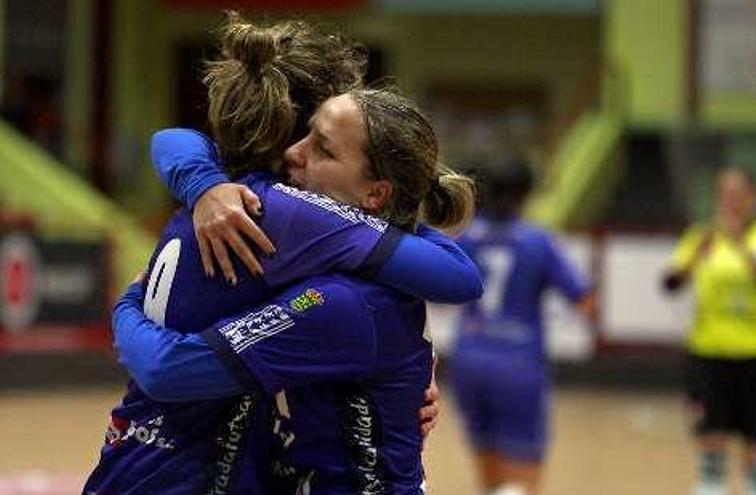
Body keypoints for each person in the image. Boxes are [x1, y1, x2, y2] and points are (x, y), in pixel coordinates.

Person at [83, 14, 477, 494]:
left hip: (137, 460)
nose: (299, 153)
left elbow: (172, 138)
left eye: (324, 149)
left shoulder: (226, 200)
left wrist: (128, 303)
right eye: (307, 134)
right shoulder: (280, 215)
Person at [449, 156, 596, 495]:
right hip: (518, 363)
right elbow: (585, 301)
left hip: (469, 358)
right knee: (523, 481)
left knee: (489, 479)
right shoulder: (536, 241)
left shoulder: (469, 237)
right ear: (526, 194)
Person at [662, 166, 756, 495]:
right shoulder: (702, 237)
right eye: (724, 194)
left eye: (738, 193)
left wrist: (742, 245)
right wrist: (695, 256)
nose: (731, 201)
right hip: (709, 352)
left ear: (754, 197)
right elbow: (671, 282)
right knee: (711, 441)